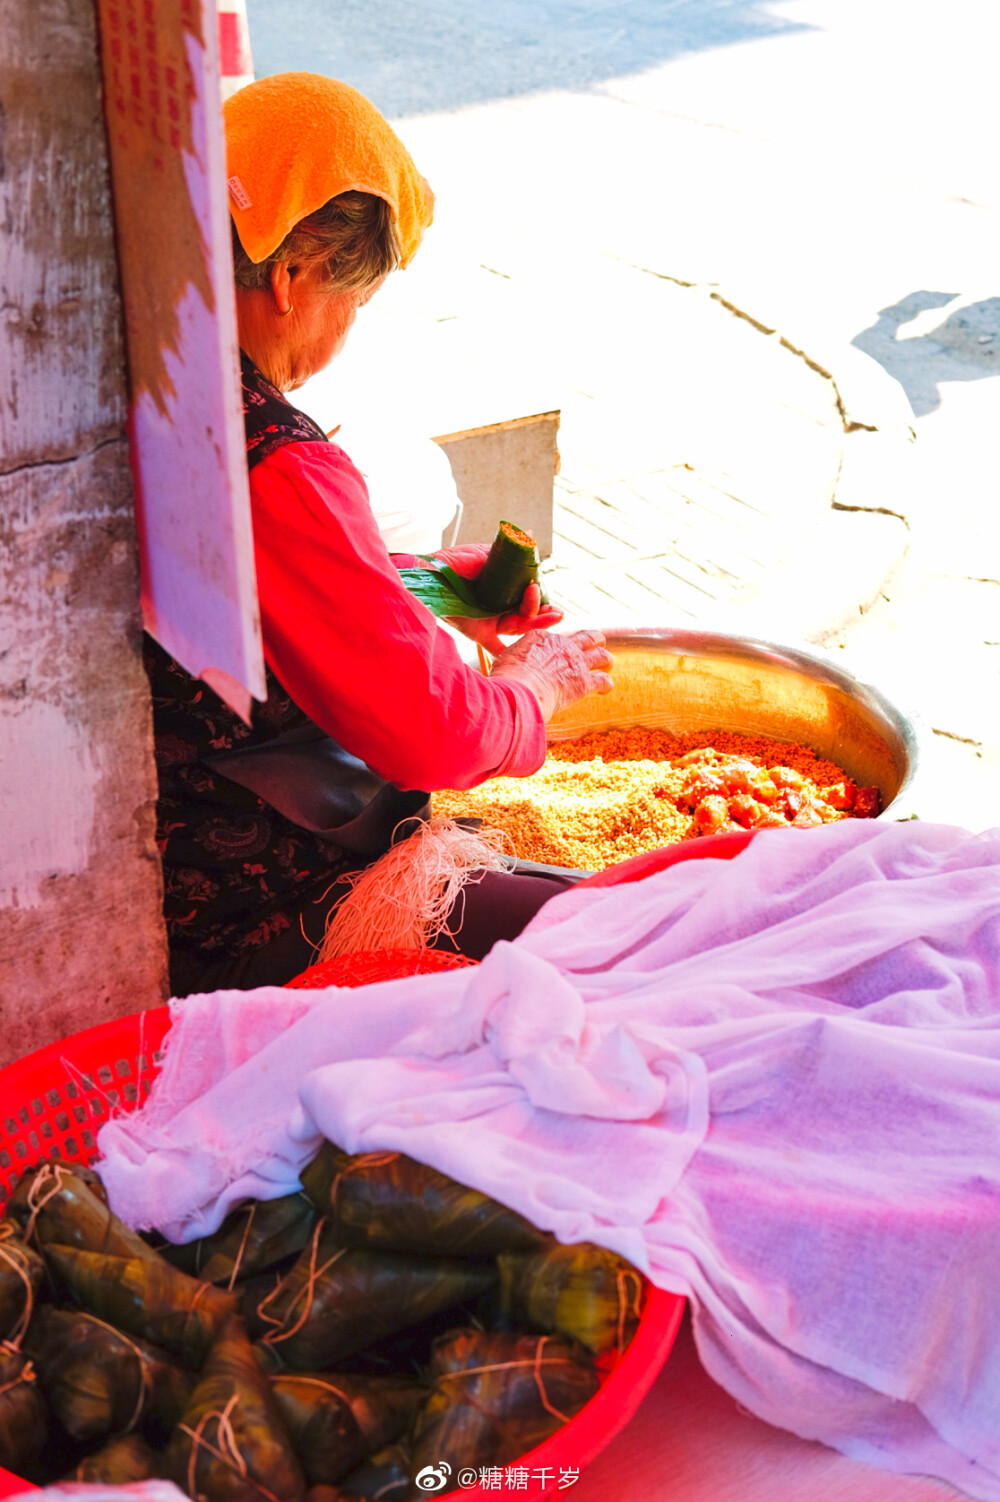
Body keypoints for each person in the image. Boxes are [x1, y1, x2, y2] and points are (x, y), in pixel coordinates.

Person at [146, 72, 613, 996]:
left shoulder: (155, 368)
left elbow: (256, 598)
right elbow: (433, 735)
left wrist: (429, 585)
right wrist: (534, 690)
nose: (347, 330)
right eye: (350, 302)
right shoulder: (275, 466)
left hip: (163, 845)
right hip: (233, 909)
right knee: (609, 940)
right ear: (290, 279)